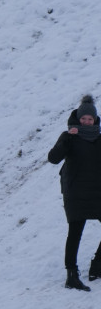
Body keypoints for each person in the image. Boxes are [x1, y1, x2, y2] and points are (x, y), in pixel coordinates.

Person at [47, 94, 101, 291]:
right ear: (78, 119)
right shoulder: (69, 136)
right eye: (84, 119)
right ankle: (71, 274)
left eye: (90, 119)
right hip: (76, 192)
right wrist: (68, 138)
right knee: (75, 232)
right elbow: (53, 158)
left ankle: (98, 266)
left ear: (95, 120)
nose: (87, 122)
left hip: (97, 191)